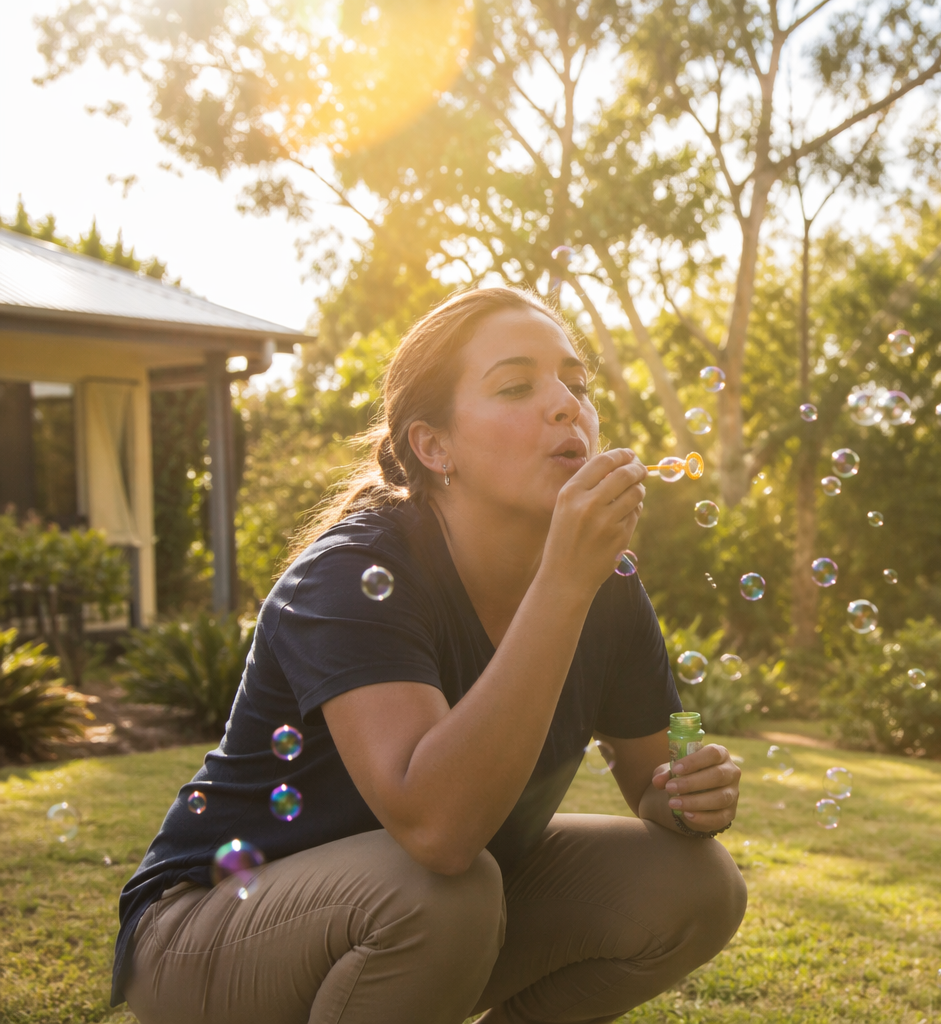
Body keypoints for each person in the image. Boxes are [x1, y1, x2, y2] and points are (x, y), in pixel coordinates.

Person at [112, 287, 748, 1024]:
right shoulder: (351, 573)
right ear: (433, 446)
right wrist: (564, 584)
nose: (566, 405)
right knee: (443, 889)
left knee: (697, 884)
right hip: (209, 930)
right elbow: (438, 832)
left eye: (576, 384)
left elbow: (653, 787)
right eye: (516, 385)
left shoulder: (605, 587)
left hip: (415, 912)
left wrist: (690, 799)